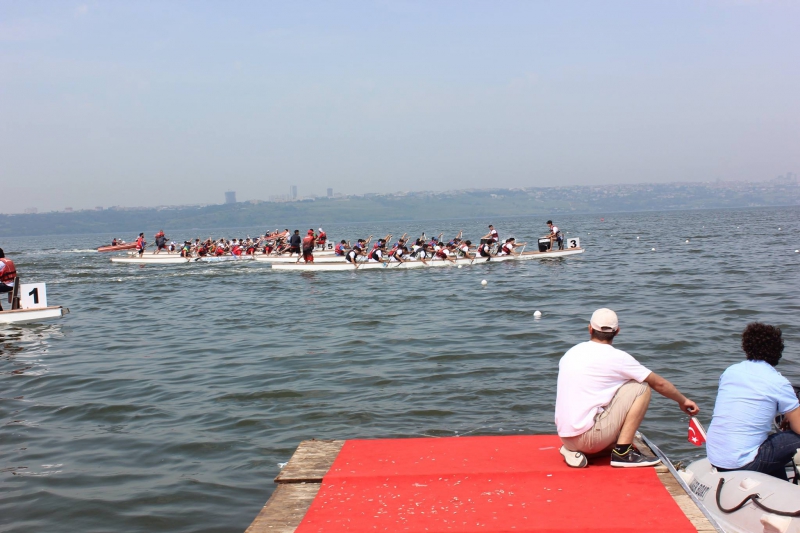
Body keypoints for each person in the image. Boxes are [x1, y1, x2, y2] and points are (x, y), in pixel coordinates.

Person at [555, 308, 699, 468]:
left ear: (590, 328)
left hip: (566, 437)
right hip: (588, 438)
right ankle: (622, 453)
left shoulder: (571, 353)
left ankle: (573, 450)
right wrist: (683, 401)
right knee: (641, 386)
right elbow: (659, 384)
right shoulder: (619, 358)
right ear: (617, 331)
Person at [706, 323, 800, 481]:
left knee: (770, 443)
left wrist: (789, 417)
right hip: (744, 463)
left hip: (716, 457)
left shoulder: (730, 371)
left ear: (746, 347)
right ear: (778, 351)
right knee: (792, 439)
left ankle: (781, 484)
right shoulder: (778, 382)